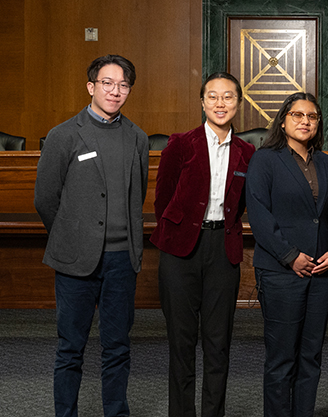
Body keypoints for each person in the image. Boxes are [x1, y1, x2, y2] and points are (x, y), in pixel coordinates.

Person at [34, 54, 149, 417]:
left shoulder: (138, 138)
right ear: (91, 87)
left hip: (121, 262)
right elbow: (45, 199)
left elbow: (138, 195)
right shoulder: (64, 135)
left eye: (123, 85)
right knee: (71, 348)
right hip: (75, 262)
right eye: (108, 83)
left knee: (118, 347)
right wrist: (71, 237)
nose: (116, 91)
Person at [149, 72, 255, 417]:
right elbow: (162, 199)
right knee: (181, 342)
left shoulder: (248, 152)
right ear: (202, 102)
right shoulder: (181, 144)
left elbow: (241, 205)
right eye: (213, 97)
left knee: (218, 343)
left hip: (222, 249)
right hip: (180, 251)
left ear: (238, 103)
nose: (220, 103)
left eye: (228, 97)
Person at [246, 92, 328, 417]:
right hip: (280, 272)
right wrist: (290, 255)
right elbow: (259, 215)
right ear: (283, 120)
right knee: (281, 358)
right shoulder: (265, 159)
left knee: (311, 356)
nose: (305, 121)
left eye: (312, 116)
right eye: (298, 115)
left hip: (321, 272)